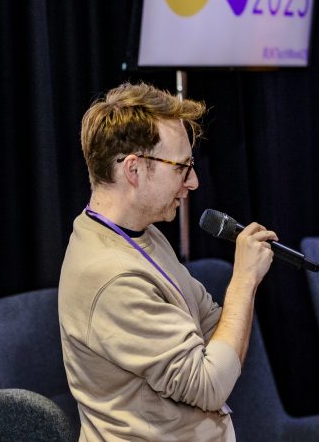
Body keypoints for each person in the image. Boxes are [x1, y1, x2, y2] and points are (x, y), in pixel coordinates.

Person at [58, 81, 277, 441]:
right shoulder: (112, 276)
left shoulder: (141, 234)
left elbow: (213, 326)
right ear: (133, 170)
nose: (193, 182)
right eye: (181, 167)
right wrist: (244, 280)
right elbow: (211, 384)